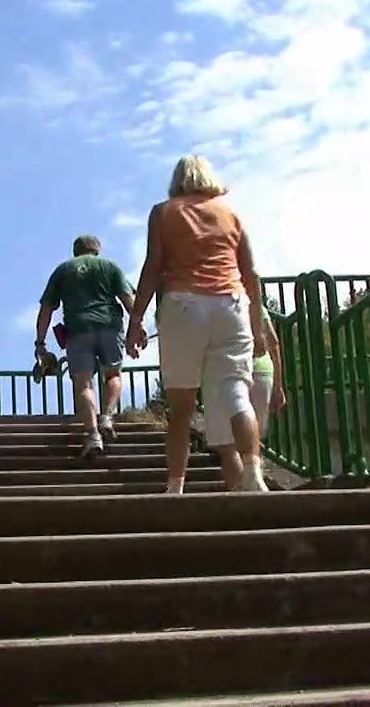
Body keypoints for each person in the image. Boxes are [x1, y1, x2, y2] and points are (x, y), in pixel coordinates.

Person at [126, 154, 267, 494]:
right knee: (236, 393)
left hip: (184, 306)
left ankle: (176, 487)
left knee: (181, 407)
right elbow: (252, 274)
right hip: (230, 305)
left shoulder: (164, 212)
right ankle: (254, 472)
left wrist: (136, 318)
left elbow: (153, 267)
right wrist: (258, 326)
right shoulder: (230, 213)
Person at [35, 235, 135, 458]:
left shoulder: (62, 270)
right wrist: (137, 327)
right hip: (110, 326)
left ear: (75, 251)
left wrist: (40, 343)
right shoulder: (109, 267)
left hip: (78, 329)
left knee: (83, 383)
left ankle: (92, 436)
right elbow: (128, 298)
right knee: (112, 374)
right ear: (97, 249)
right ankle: (107, 417)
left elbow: (46, 309)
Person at [206, 303, 285, 491]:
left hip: (228, 369)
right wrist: (278, 385)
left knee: (227, 445)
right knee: (252, 440)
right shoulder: (254, 304)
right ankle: (254, 482)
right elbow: (273, 343)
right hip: (262, 369)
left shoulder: (210, 303)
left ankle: (240, 492)